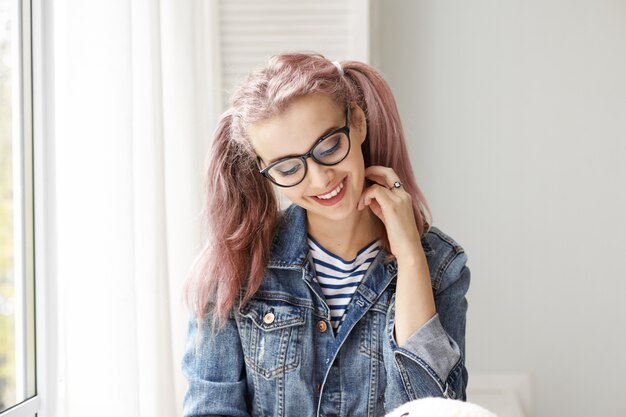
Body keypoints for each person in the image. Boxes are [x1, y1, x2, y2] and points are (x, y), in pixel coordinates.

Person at [181, 52, 470, 417]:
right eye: (288, 168)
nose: (320, 179)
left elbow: (433, 412)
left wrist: (411, 257)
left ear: (358, 122)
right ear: (264, 171)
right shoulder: (231, 268)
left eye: (329, 146)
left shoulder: (441, 266)